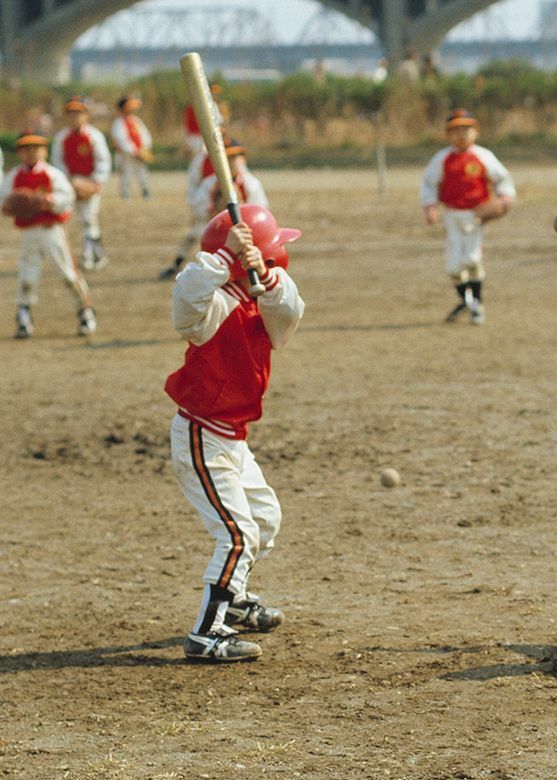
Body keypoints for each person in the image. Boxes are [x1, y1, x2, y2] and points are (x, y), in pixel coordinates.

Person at [165, 203, 304, 662]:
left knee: (265, 520)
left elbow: (290, 313)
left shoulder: (262, 302)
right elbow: (186, 298)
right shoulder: (213, 307)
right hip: (202, 435)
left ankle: (236, 600)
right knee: (239, 534)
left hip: (233, 436)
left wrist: (265, 276)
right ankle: (205, 634)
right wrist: (224, 260)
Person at [420, 109, 515, 325]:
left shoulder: (483, 156)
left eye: (466, 129)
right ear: (447, 134)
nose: (461, 134)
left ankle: (475, 305)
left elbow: (504, 179)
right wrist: (430, 206)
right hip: (452, 215)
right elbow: (428, 183)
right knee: (454, 268)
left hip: (475, 216)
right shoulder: (443, 158)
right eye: (456, 130)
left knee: (471, 260)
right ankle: (469, 302)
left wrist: (504, 199)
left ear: (476, 132)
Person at [0, 129, 96, 339]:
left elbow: (67, 198)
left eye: (36, 147)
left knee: (67, 274)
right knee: (27, 276)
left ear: (44, 150)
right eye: (26, 148)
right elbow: (4, 200)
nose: (31, 152)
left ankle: (85, 311)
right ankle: (23, 316)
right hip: (28, 232)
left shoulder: (52, 174)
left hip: (51, 231)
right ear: (19, 152)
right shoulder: (15, 176)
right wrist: (8, 206)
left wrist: (48, 201)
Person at [161, 140, 268, 280]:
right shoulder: (211, 183)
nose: (234, 161)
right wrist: (215, 212)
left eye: (237, 157)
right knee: (194, 234)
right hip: (215, 225)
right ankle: (177, 264)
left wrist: (244, 214)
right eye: (230, 157)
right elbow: (199, 207)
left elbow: (261, 210)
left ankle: (261, 267)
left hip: (245, 228)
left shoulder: (251, 184)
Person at [51, 96, 112, 271]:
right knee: (67, 220)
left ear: (86, 115)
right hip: (69, 185)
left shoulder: (94, 136)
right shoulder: (61, 137)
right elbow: (58, 162)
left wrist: (95, 183)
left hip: (90, 183)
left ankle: (88, 256)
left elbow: (103, 161)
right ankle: (98, 254)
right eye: (71, 114)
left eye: (78, 113)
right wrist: (69, 183)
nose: (74, 117)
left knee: (89, 218)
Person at [110, 96, 153, 199]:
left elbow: (145, 135)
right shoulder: (118, 123)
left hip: (140, 153)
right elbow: (121, 140)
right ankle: (125, 193)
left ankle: (145, 191)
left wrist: (144, 148)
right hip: (126, 155)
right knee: (126, 175)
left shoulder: (136, 120)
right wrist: (133, 151)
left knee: (142, 173)